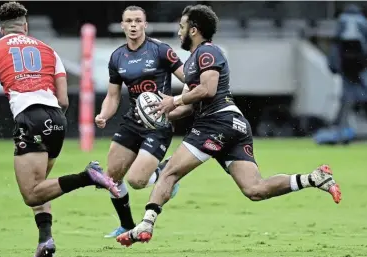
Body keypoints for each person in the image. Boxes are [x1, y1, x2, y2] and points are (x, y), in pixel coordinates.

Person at [116, 4, 342, 246]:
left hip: (216, 122)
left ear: (194, 30)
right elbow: (188, 106)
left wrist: (175, 99)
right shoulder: (193, 60)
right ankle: (314, 178)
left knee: (169, 172)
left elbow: (208, 89)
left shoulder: (208, 53)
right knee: (255, 189)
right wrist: (162, 113)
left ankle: (145, 226)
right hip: (232, 124)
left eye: (182, 27)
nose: (179, 32)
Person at [0, 2, 119, 257]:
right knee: (41, 186)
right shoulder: (49, 50)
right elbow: (64, 100)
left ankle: (88, 176)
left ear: (0, 29)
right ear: (25, 27)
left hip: (30, 118)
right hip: (56, 120)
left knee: (31, 193)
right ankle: (46, 241)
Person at [94, 5, 189, 238]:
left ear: (145, 25)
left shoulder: (160, 50)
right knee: (111, 177)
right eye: (129, 21)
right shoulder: (117, 56)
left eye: (138, 21)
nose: (134, 25)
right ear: (123, 25)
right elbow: (113, 95)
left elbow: (190, 78)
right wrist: (104, 115)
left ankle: (163, 174)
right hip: (133, 121)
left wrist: (178, 103)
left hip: (158, 124)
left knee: (137, 181)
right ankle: (126, 224)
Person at [314, 4, 367, 145]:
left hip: (346, 71)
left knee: (346, 101)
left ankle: (341, 131)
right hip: (362, 69)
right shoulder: (362, 23)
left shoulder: (342, 24)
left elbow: (335, 47)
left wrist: (334, 67)